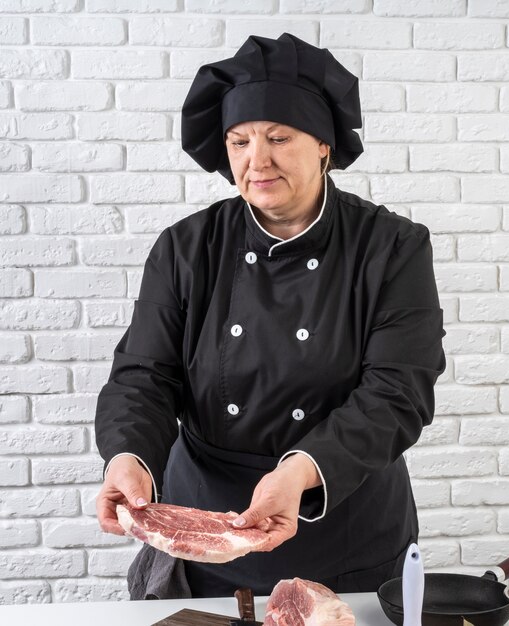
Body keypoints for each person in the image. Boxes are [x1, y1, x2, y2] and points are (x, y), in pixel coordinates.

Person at [95, 32, 446, 599]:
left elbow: (398, 392)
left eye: (279, 137)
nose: (256, 161)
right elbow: (144, 375)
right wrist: (129, 455)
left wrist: (298, 472)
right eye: (239, 142)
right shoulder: (187, 247)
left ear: (325, 145)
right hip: (204, 528)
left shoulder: (392, 248)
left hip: (342, 526)